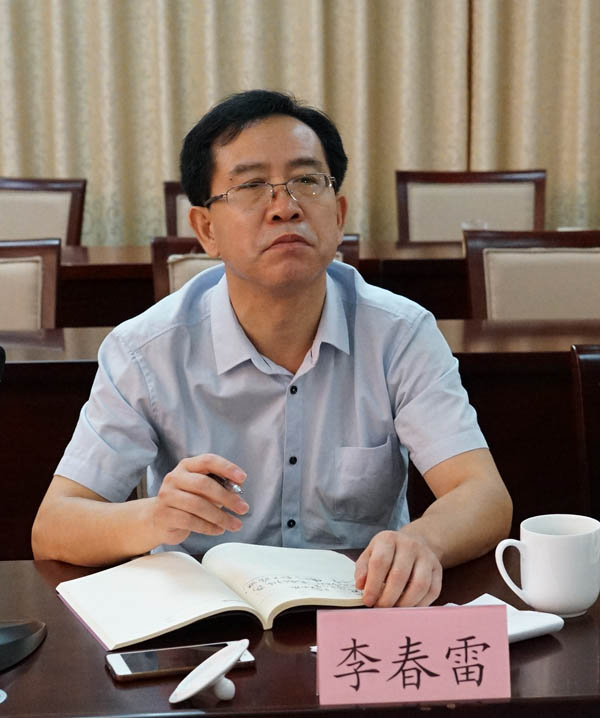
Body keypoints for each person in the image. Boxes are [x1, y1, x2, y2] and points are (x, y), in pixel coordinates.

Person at [32, 89, 512, 608]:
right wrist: (152, 517)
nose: (285, 207)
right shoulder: (145, 351)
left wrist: (423, 541)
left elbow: (482, 493)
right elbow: (54, 526)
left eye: (307, 181)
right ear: (206, 230)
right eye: (251, 186)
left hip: (358, 609)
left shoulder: (400, 333)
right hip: (208, 620)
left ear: (339, 214)